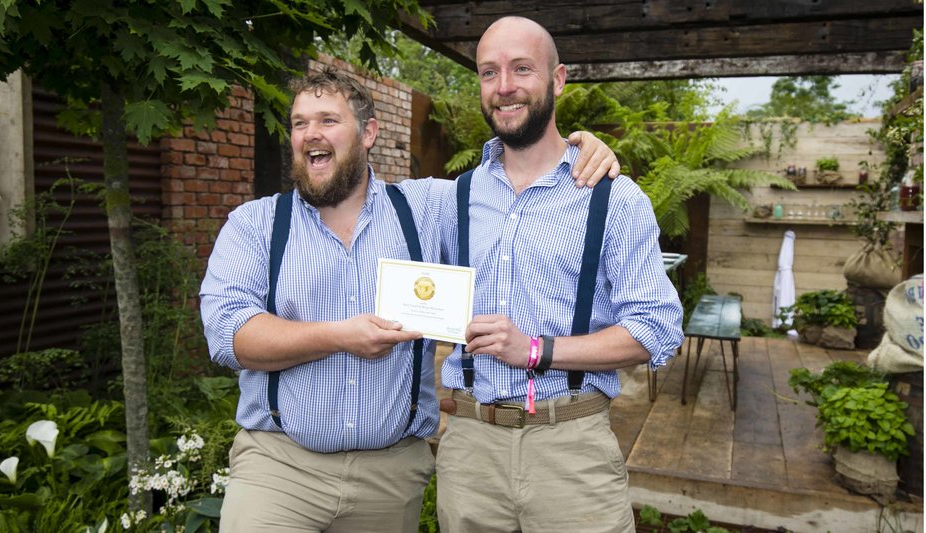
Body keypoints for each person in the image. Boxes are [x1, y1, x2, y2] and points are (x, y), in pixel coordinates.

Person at [199, 66, 619, 532]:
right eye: (300, 123)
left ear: (369, 133)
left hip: (392, 475)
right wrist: (341, 337)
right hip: (279, 468)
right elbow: (228, 336)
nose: (310, 134)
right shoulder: (254, 224)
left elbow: (518, 185)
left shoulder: (431, 207)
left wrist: (580, 148)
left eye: (327, 120)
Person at [435, 17, 685, 533]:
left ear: (558, 78)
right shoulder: (448, 199)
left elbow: (656, 329)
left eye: (521, 68)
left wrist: (536, 350)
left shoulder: (613, 199)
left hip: (571, 450)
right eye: (488, 72)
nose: (504, 86)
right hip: (469, 451)